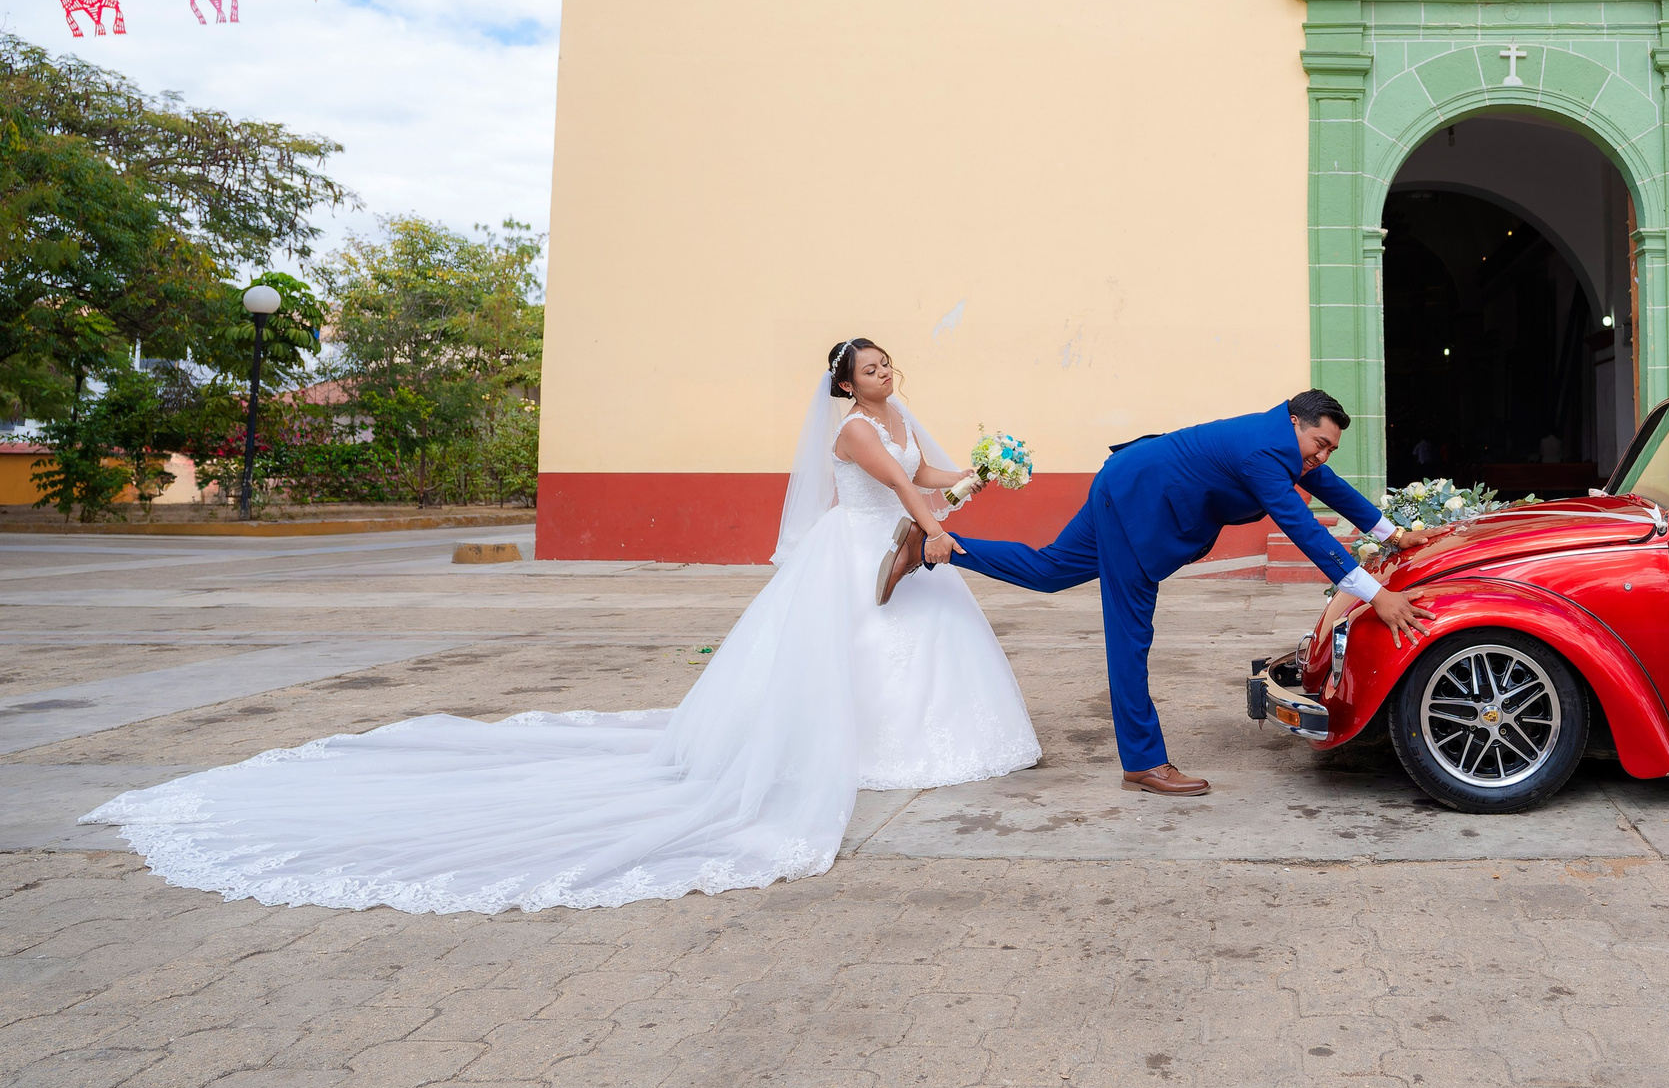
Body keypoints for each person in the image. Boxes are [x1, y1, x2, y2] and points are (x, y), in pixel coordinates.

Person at [81, 339, 1039, 914]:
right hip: (864, 553)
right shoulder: (853, 431)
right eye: (865, 365)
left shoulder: (902, 414)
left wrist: (987, 469)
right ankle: (835, 745)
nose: (879, 372)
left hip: (908, 548)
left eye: (883, 362)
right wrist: (940, 524)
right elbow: (903, 491)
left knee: (923, 645)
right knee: (851, 659)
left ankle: (912, 736)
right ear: (844, 383)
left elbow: (937, 475)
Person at [955, 390, 1431, 796]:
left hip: (1126, 480)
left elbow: (1329, 485)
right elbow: (1305, 530)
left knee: (1051, 569)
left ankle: (940, 544)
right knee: (1130, 637)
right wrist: (1376, 596)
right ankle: (1143, 762)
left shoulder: (1279, 441)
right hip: (1135, 504)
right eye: (1319, 443)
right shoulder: (1263, 453)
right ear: (1294, 422)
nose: (1322, 456)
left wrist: (1392, 534)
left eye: (1331, 448)